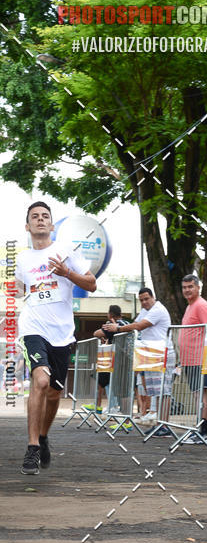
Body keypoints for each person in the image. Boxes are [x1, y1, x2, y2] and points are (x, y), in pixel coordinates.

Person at [16, 201, 97, 475]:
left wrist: (66, 273)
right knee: (40, 380)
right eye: (35, 217)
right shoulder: (23, 259)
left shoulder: (66, 251)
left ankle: (43, 436)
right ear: (27, 226)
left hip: (61, 334)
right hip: (33, 328)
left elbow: (92, 284)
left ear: (51, 225)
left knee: (54, 394)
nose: (40, 219)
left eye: (45, 216)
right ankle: (32, 448)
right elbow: (20, 290)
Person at [103, 287, 173, 436]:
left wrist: (118, 328)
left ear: (153, 297)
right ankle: (160, 424)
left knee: (164, 391)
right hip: (151, 354)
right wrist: (116, 328)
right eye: (141, 300)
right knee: (157, 392)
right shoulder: (145, 311)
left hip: (162, 353)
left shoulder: (157, 309)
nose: (144, 302)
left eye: (146, 299)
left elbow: (139, 326)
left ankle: (165, 425)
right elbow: (135, 323)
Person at [179, 274, 207, 444]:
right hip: (189, 359)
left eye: (190, 287)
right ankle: (200, 430)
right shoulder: (190, 306)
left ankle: (203, 432)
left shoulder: (201, 305)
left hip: (198, 359)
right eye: (184, 287)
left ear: (198, 287)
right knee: (197, 395)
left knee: (200, 395)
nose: (187, 290)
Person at [88, 304, 127, 413]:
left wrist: (104, 333)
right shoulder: (126, 323)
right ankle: (115, 408)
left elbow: (96, 333)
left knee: (102, 381)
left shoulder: (112, 324)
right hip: (124, 359)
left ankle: (103, 406)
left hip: (112, 359)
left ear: (110, 314)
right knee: (116, 384)